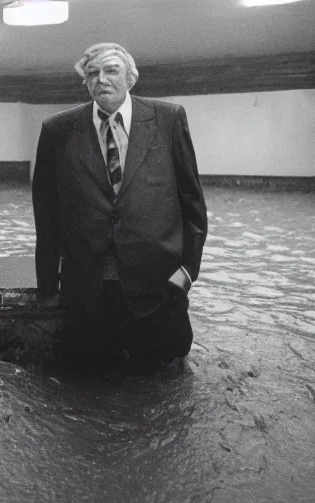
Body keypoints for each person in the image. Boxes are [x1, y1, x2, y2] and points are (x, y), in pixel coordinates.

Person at [31, 43, 208, 372]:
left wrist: (187, 273)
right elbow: (46, 211)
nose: (101, 80)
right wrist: (47, 284)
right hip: (89, 288)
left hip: (159, 287)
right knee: (92, 392)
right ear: (85, 83)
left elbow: (193, 202)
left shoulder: (168, 119)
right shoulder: (57, 130)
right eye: (92, 74)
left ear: (132, 77)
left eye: (111, 70)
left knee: (165, 386)